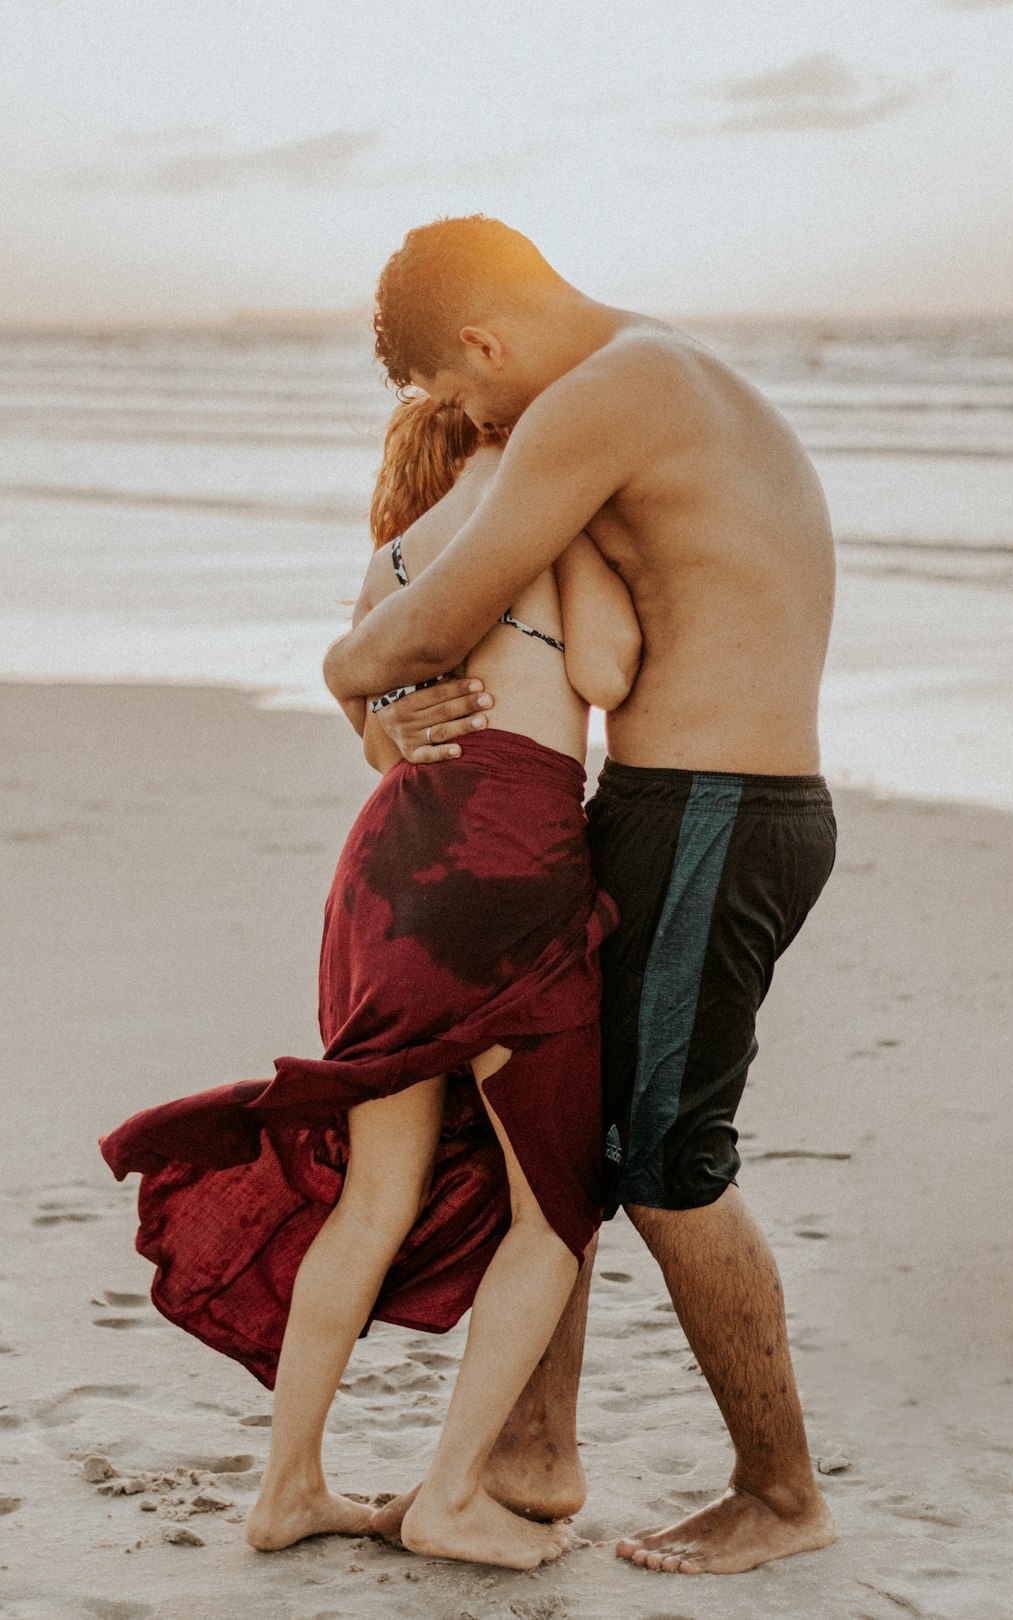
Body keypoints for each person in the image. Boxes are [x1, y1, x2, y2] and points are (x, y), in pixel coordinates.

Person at [322, 215, 840, 1578]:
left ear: (486, 341)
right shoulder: (662, 374)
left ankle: (782, 1493)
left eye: (455, 392)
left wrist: (341, 668)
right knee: (553, 1144)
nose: (469, 418)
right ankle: (529, 1459)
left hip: (719, 812)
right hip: (668, 804)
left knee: (669, 1166)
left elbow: (436, 618)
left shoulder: (613, 391)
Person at [99, 393, 641, 1572]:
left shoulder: (395, 555)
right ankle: (451, 1494)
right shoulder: (540, 523)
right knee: (555, 1204)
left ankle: (288, 1490)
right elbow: (607, 664)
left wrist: (396, 706)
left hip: (385, 874)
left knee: (374, 1198)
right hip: (506, 866)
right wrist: (593, 531)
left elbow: (376, 732)